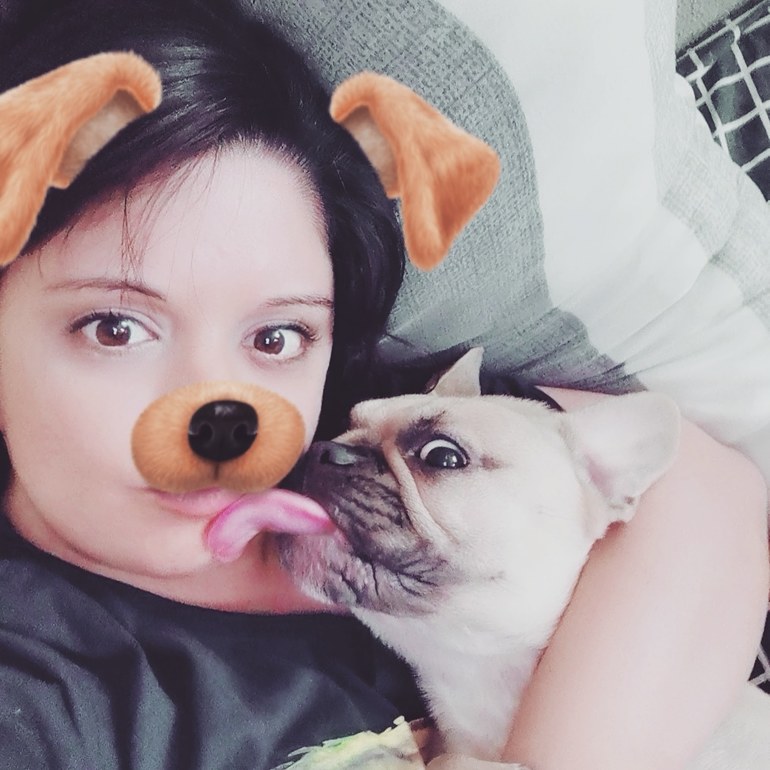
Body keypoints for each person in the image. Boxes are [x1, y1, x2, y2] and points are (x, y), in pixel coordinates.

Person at [0, 3, 766, 770]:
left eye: (276, 338)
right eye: (115, 329)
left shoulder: (385, 429)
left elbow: (701, 492)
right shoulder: (43, 685)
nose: (222, 409)